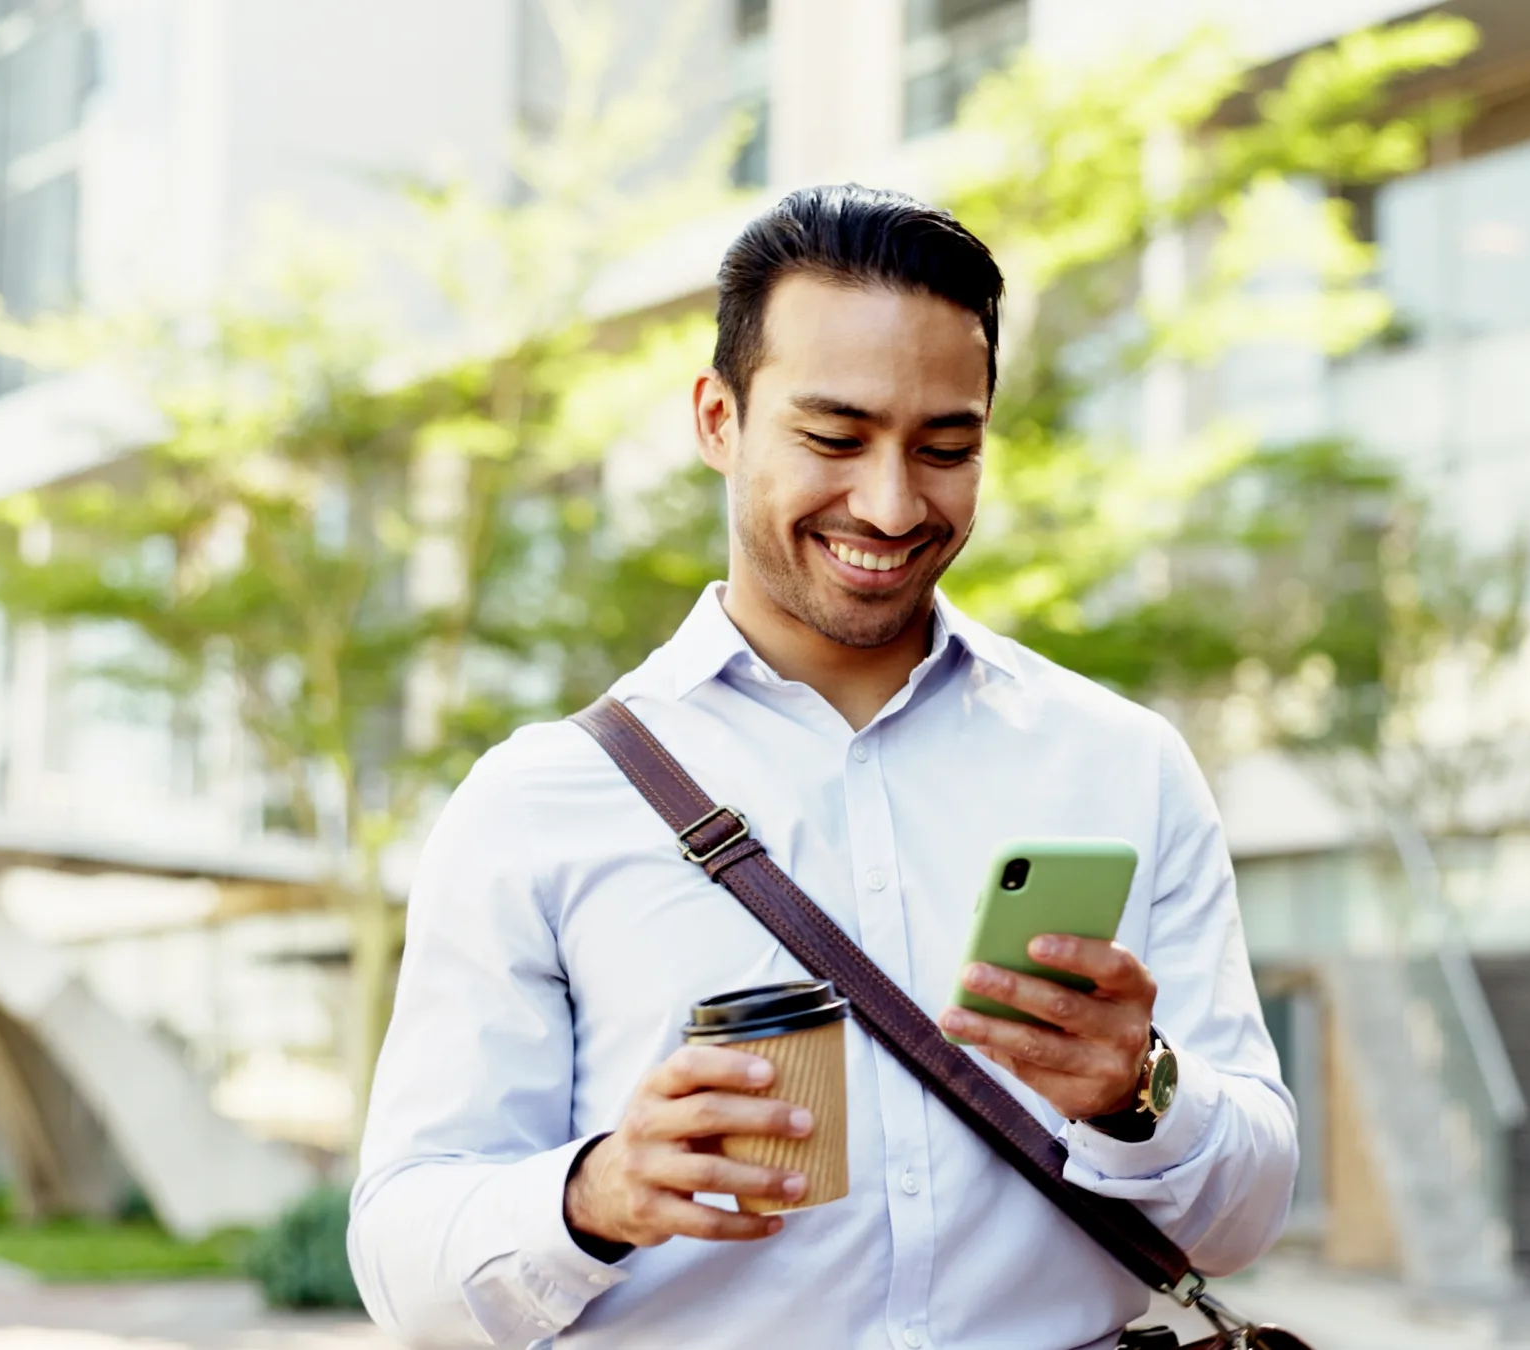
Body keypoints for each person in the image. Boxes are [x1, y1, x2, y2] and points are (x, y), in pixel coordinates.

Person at [349, 184, 1297, 1349]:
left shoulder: (1121, 764)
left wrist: (1138, 1089)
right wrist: (592, 1195)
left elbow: (1245, 1220)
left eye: (946, 447)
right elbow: (403, 1262)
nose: (892, 503)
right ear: (717, 419)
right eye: (833, 438)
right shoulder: (538, 802)